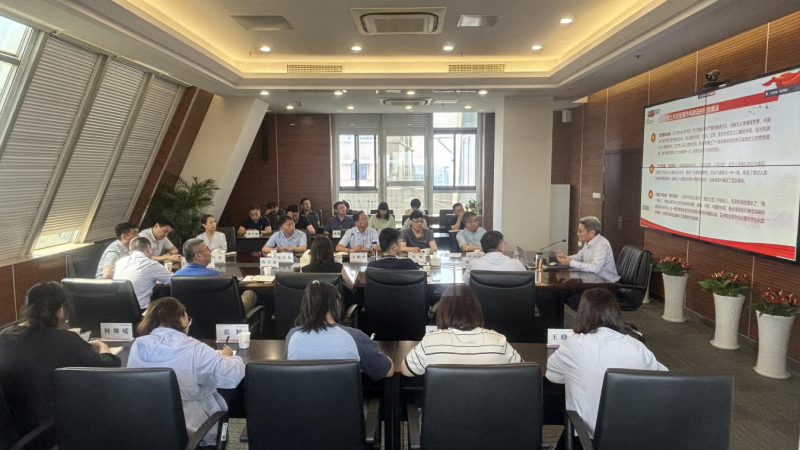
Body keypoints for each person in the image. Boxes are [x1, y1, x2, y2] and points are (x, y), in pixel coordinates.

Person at [546, 288, 667, 450]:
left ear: (582, 314)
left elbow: (552, 375)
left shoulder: (574, 344)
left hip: (586, 440)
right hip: (631, 438)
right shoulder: (636, 346)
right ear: (616, 314)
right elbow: (664, 378)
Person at [0, 282, 120, 438]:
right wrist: (102, 347)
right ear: (62, 310)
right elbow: (109, 368)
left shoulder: (4, 338)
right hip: (48, 431)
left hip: (13, 431)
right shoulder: (65, 339)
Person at [128, 297, 244, 446]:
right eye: (187, 318)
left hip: (146, 426)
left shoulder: (137, 346)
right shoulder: (195, 349)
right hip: (192, 430)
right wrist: (229, 357)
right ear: (181, 319)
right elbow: (233, 375)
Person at [401, 285, 521, 376]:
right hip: (489, 402)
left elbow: (406, 370)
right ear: (477, 310)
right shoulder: (499, 341)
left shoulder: (431, 342)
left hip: (444, 403)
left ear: (443, 312)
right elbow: (521, 372)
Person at [285, 281, 393, 381]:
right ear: (337, 305)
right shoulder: (354, 337)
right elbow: (388, 371)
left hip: (302, 396)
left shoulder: (292, 336)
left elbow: (288, 371)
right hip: (343, 396)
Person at [556, 216, 620, 310]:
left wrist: (570, 262)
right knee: (560, 292)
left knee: (573, 299)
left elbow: (595, 268)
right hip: (592, 282)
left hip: (605, 286)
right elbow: (580, 256)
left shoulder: (601, 245)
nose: (578, 234)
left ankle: (588, 318)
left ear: (592, 233)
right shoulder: (589, 241)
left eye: (580, 231)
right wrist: (567, 258)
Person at [175, 239, 257, 311]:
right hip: (222, 316)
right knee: (250, 293)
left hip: (187, 318)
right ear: (198, 256)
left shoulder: (177, 275)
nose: (211, 251)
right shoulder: (214, 275)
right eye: (207, 249)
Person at [113, 236, 174, 308]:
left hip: (118, 308)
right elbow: (175, 282)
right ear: (148, 248)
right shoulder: (151, 264)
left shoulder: (120, 262)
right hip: (140, 310)